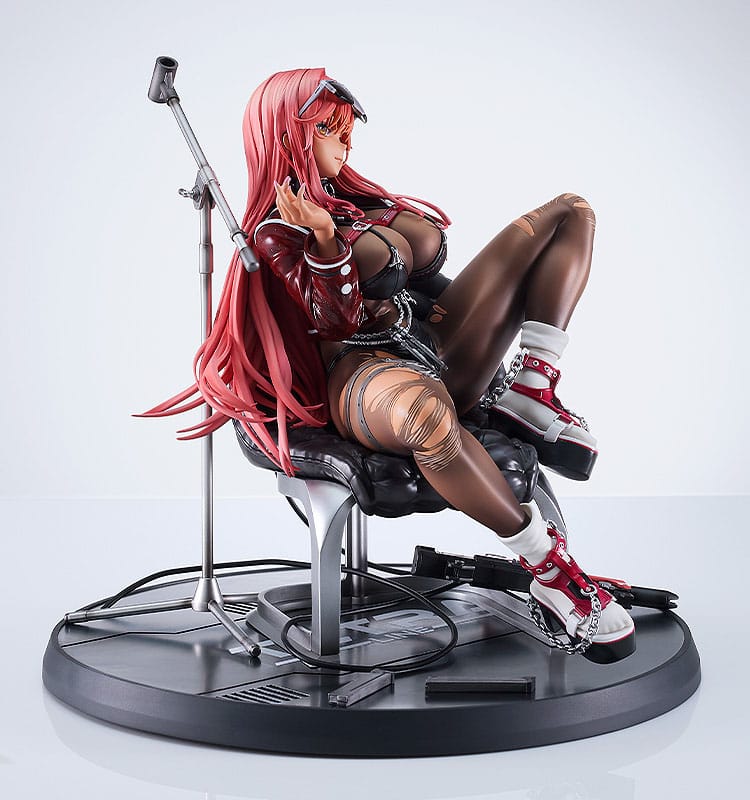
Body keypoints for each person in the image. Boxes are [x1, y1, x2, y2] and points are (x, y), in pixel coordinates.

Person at [145, 67, 634, 662]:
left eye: (347, 129)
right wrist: (325, 242)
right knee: (428, 418)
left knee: (569, 212)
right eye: (328, 129)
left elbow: (431, 284)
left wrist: (489, 324)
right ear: (286, 135)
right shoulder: (273, 233)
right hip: (359, 372)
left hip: (429, 343)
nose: (345, 143)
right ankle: (550, 569)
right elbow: (335, 322)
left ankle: (533, 386)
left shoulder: (353, 201)